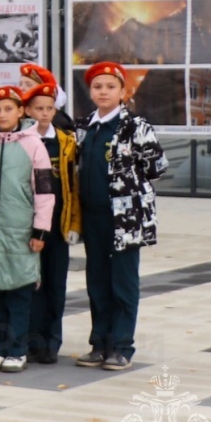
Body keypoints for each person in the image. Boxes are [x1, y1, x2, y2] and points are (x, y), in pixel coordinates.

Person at [73, 62, 165, 372]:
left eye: (110, 86)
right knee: (97, 281)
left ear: (122, 92)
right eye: (98, 87)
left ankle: (122, 346)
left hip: (125, 219)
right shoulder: (84, 126)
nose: (103, 92)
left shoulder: (135, 126)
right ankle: (100, 344)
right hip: (93, 216)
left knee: (123, 283)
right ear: (90, 91)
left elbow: (157, 167)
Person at [0, 86, 54, 374]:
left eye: (8, 109)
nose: (3, 115)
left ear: (20, 111)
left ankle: (17, 350)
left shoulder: (34, 145)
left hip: (19, 231)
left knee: (19, 295)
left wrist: (40, 231)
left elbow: (43, 191)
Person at [25, 83, 79, 365]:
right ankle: (31, 340)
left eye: (49, 108)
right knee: (34, 283)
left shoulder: (66, 141)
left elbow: (73, 185)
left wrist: (74, 223)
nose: (44, 114)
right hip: (29, 224)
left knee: (56, 284)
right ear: (28, 110)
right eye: (38, 109)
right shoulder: (22, 139)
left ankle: (51, 342)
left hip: (58, 224)